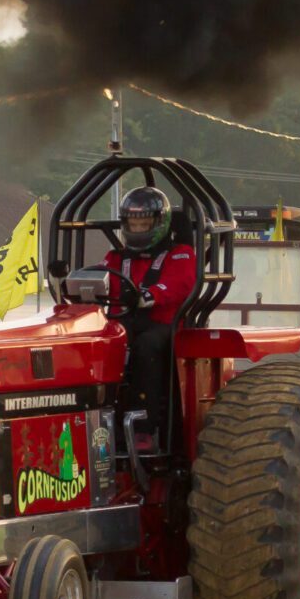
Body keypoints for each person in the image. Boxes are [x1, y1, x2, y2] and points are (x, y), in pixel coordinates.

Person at [101, 186, 197, 451]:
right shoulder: (116, 257)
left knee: (147, 347)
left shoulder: (179, 254)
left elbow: (181, 282)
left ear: (159, 223)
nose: (139, 229)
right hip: (122, 322)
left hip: (164, 325)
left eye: (144, 224)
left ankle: (143, 429)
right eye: (134, 224)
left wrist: (150, 295)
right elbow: (103, 279)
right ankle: (100, 417)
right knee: (100, 345)